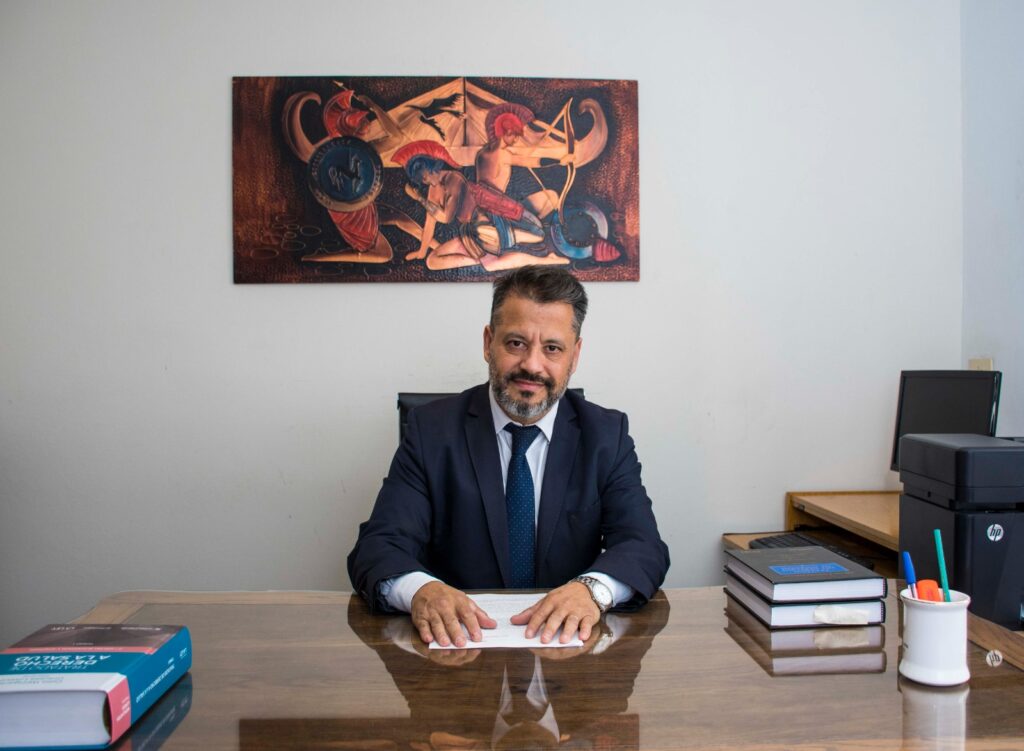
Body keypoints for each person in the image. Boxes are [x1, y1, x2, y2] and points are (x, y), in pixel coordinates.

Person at [347, 266, 669, 647]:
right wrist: (421, 591)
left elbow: (643, 546)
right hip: (455, 655)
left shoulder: (606, 436)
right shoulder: (430, 432)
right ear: (488, 343)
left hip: (569, 657)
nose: (532, 365)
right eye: (516, 343)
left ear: (575, 356)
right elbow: (378, 546)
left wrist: (592, 590)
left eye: (552, 348)